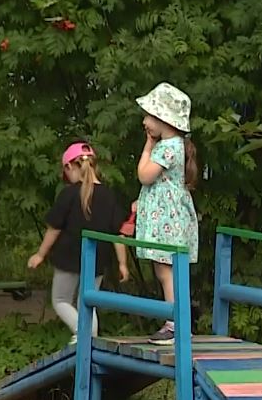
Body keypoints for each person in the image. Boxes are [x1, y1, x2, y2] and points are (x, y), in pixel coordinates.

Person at [28, 142, 130, 345]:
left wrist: (40, 254)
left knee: (61, 300)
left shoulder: (68, 194)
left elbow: (54, 228)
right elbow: (118, 234)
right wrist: (122, 264)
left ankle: (84, 334)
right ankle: (90, 338)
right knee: (88, 302)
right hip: (97, 259)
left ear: (69, 167)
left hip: (68, 257)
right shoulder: (109, 195)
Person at [134, 82, 200, 345]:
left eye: (149, 116)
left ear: (164, 119)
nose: (145, 121)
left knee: (165, 271)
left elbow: (144, 176)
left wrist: (147, 147)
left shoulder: (166, 147)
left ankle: (174, 324)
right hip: (172, 217)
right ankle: (180, 322)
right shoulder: (178, 145)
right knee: (171, 271)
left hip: (168, 221)